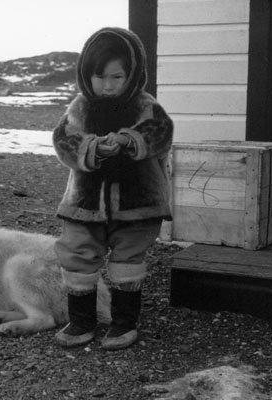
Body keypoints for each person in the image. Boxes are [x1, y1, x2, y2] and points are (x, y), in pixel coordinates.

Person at [52, 27, 174, 350]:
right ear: (86, 75)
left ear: (133, 74)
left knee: (128, 259)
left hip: (136, 203)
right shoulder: (79, 108)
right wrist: (91, 148)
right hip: (84, 203)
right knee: (77, 253)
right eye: (99, 77)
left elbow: (160, 132)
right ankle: (81, 321)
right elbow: (64, 141)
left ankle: (123, 323)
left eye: (117, 77)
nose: (107, 86)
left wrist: (131, 140)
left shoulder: (146, 106)